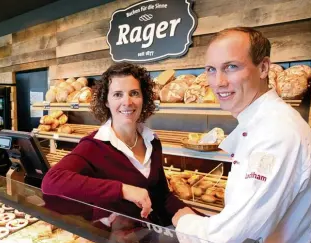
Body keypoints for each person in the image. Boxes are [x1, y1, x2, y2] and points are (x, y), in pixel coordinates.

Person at [171, 27, 311, 243]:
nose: (219, 82)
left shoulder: (276, 134)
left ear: (264, 67)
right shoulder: (260, 123)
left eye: (231, 67)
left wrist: (182, 221)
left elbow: (231, 239)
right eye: (211, 70)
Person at [41, 62, 196, 226]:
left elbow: (161, 196)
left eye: (134, 93)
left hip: (147, 238)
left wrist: (191, 217)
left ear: (144, 98)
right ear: (106, 101)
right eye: (117, 94)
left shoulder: (153, 141)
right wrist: (122, 190)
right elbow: (51, 181)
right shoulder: (94, 146)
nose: (127, 102)